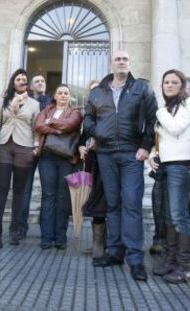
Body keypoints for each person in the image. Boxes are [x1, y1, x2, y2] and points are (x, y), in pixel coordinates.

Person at [83, 50, 157, 281]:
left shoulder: (142, 88)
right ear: (111, 63)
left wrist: (146, 146)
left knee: (132, 204)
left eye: (125, 59)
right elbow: (88, 118)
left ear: (130, 63)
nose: (122, 62)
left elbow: (152, 118)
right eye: (118, 59)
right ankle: (115, 252)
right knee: (113, 203)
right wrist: (98, 133)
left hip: (131, 154)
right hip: (105, 153)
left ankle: (135, 259)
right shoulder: (98, 92)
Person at [150, 69, 190, 284]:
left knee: (180, 214)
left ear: (181, 85)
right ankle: (171, 261)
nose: (169, 85)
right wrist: (153, 154)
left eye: (174, 82)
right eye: (166, 82)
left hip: (184, 164)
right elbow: (161, 139)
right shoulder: (167, 108)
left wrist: (158, 113)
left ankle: (184, 265)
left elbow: (176, 128)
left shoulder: (188, 104)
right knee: (169, 215)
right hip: (167, 164)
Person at [0, 68, 40, 248]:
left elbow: (37, 127)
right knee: (2, 189)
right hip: (3, 146)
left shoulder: (34, 104)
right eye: (18, 79)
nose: (21, 81)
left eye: (24, 79)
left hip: (24, 148)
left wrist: (36, 148)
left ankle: (14, 230)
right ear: (13, 82)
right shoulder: (5, 101)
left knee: (19, 191)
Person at [35, 84, 83, 249]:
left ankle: (60, 238)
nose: (63, 95)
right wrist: (58, 129)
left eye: (66, 93)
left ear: (69, 97)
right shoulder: (46, 111)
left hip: (66, 159)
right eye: (60, 93)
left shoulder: (75, 111)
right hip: (47, 158)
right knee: (48, 196)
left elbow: (71, 125)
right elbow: (39, 125)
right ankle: (46, 237)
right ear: (54, 96)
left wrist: (52, 123)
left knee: (63, 197)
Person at [17, 73, 52, 239]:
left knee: (48, 190)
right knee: (25, 189)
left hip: (46, 150)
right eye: (36, 81)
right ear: (30, 86)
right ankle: (20, 227)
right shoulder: (24, 101)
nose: (40, 83)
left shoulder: (52, 103)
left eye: (42, 81)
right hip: (26, 148)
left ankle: (45, 229)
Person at [79, 79, 108, 263]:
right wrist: (82, 146)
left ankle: (109, 243)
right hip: (93, 163)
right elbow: (83, 136)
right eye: (91, 91)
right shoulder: (88, 115)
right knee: (95, 200)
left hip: (109, 160)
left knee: (109, 199)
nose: (94, 93)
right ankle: (98, 242)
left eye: (97, 90)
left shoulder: (109, 112)